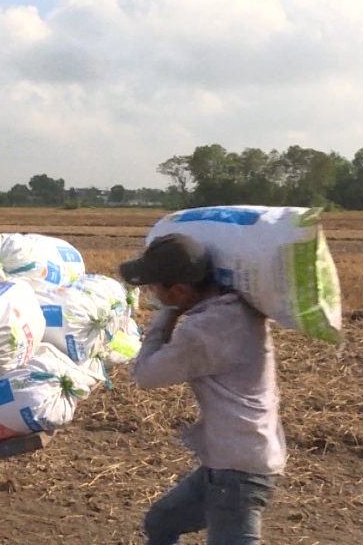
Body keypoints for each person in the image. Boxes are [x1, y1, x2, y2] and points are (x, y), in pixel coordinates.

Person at [118, 233, 286, 545]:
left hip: (238, 473)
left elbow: (145, 374)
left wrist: (166, 315)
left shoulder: (205, 330)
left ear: (180, 290)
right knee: (161, 522)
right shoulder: (235, 308)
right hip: (230, 463)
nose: (150, 292)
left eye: (154, 286)